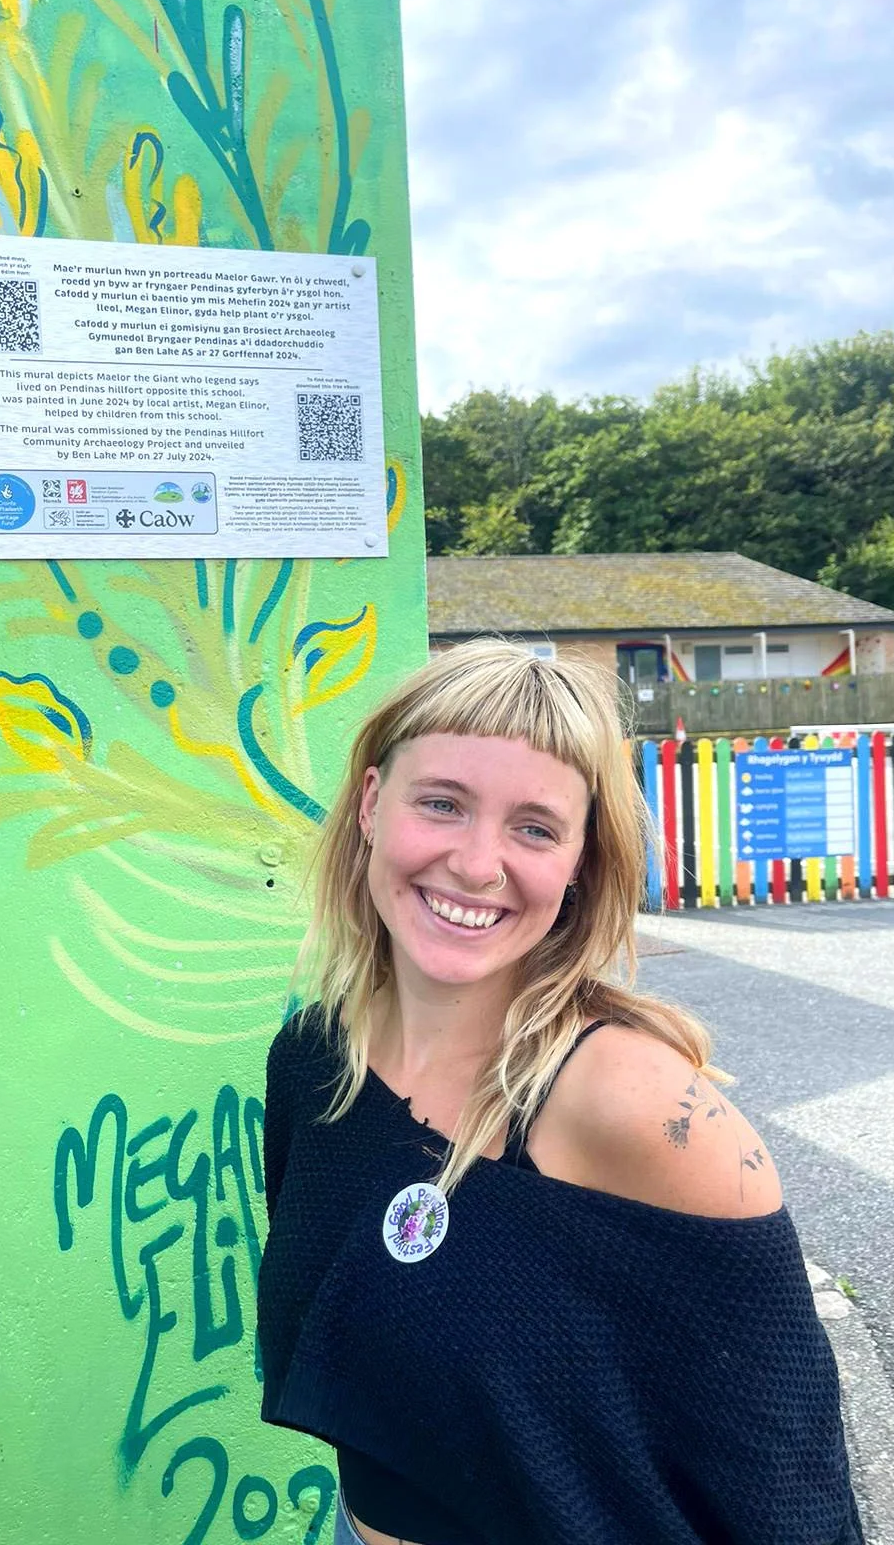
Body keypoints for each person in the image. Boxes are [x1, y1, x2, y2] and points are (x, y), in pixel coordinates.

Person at [257, 640, 862, 1545]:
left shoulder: (635, 1104)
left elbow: (787, 1484)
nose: (477, 864)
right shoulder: (314, 1061)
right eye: (442, 803)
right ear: (373, 804)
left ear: (580, 860)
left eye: (535, 828)